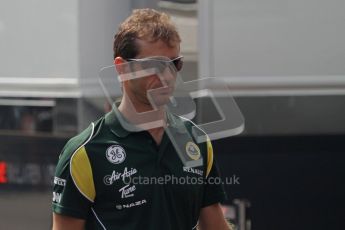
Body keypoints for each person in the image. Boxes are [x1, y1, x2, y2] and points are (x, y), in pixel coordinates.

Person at [52, 8, 231, 230]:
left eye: (175, 64)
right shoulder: (85, 152)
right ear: (122, 68)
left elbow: (214, 225)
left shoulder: (194, 140)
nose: (167, 76)